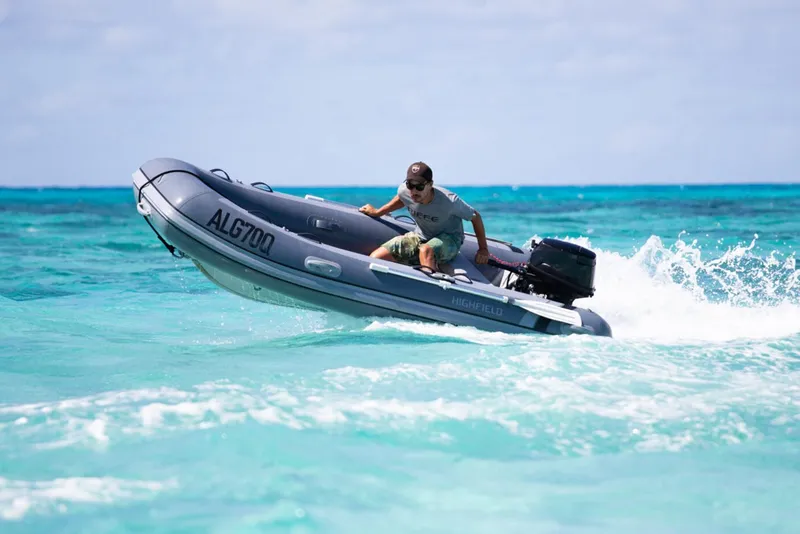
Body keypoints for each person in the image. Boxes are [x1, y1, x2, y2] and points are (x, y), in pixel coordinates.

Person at [359, 161, 489, 271]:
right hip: (421, 236)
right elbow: (401, 199)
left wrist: (483, 249)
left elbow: (475, 217)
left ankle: (433, 280)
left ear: (430, 185)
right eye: (410, 185)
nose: (414, 191)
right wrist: (377, 212)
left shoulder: (450, 201)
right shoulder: (405, 191)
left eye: (419, 186)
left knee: (425, 250)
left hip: (450, 239)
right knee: (377, 257)